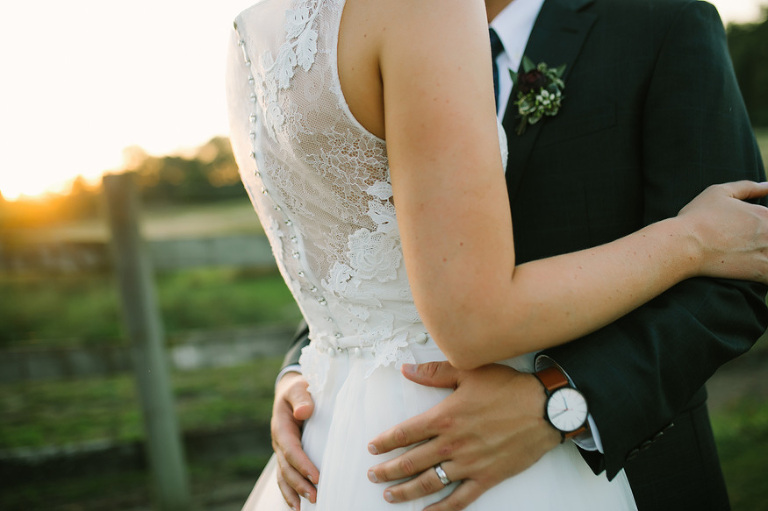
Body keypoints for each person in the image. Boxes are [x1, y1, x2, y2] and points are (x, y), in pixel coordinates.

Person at [225, 0, 768, 509]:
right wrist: (306, 377)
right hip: (368, 441)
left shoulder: (662, 20)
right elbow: (359, 254)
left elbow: (741, 259)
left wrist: (563, 402)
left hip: (631, 465)